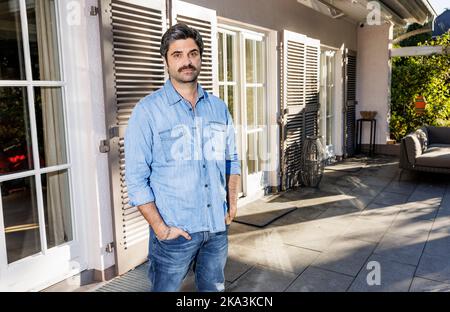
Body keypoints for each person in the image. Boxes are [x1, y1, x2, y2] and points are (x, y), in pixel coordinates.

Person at [124, 23, 241, 292]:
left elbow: (231, 159)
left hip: (216, 229)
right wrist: (161, 229)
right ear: (165, 59)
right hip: (174, 234)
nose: (186, 61)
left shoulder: (218, 108)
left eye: (193, 53)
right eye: (177, 54)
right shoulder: (147, 112)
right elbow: (136, 180)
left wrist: (231, 206)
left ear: (200, 57)